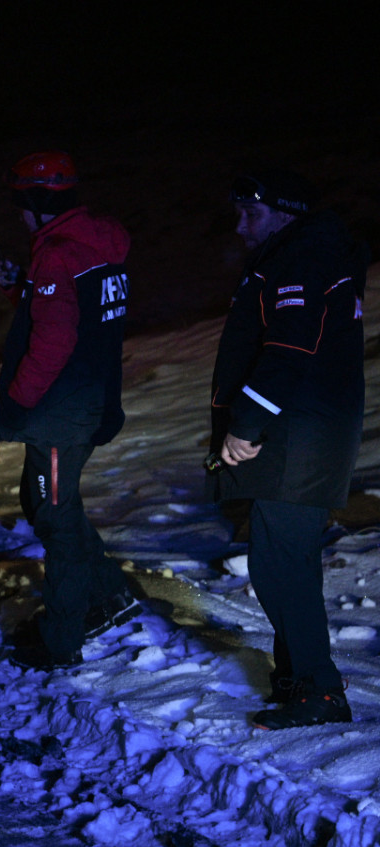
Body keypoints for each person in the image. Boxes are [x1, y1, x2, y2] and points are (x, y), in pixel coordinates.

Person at [209, 170, 367, 729]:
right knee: (281, 561)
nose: (240, 225)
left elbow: (287, 351)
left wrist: (245, 424)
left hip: (298, 433)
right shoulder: (305, 253)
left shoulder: (301, 259)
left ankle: (319, 690)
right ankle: (298, 679)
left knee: (283, 566)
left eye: (251, 213)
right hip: (303, 430)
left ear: (286, 212)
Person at [0, 151, 135, 670]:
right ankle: (109, 595)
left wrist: (19, 397)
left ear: (33, 201)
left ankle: (63, 636)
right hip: (88, 399)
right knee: (52, 506)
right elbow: (71, 312)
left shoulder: (57, 255)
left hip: (60, 411)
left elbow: (54, 340)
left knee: (54, 514)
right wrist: (18, 285)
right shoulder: (94, 245)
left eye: (18, 202)